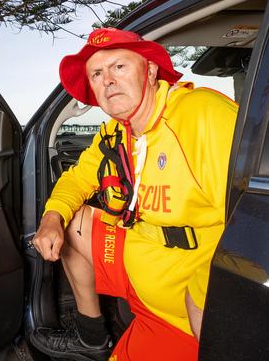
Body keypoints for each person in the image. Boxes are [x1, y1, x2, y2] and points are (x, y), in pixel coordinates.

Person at [30, 28, 238, 361]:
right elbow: (76, 179)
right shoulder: (115, 132)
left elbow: (249, 217)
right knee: (73, 221)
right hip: (140, 270)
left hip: (183, 309)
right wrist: (52, 217)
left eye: (119, 67)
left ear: (151, 70)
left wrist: (202, 293)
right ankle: (91, 337)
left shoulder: (202, 115)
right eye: (97, 73)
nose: (107, 80)